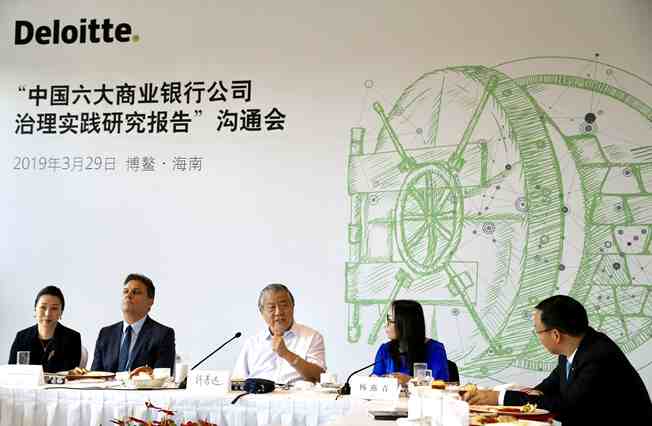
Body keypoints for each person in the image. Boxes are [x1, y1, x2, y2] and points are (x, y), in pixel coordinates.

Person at [464, 295, 652, 425]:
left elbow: (567, 408)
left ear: (555, 335)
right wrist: (532, 393)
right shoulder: (576, 345)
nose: (537, 337)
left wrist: (501, 398)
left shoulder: (598, 357)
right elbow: (551, 385)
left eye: (537, 331)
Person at [232, 283, 326, 383]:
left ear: (292, 307)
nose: (278, 312)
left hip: (297, 393)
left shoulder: (312, 337)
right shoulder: (252, 343)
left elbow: (320, 377)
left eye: (284, 305)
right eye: (272, 307)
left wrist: (286, 354)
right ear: (262, 312)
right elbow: (237, 382)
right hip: (259, 393)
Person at [91, 273, 175, 372]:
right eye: (125, 291)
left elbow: (162, 377)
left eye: (136, 292)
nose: (128, 295)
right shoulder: (106, 333)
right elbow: (95, 375)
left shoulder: (163, 334)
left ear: (150, 301)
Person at [372, 300, 449, 384]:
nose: (386, 325)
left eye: (390, 321)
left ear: (406, 324)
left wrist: (410, 381)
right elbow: (376, 381)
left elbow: (440, 384)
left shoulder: (435, 349)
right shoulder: (385, 349)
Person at [8, 285, 81, 372]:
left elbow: (70, 374)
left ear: (61, 312)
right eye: (43, 307)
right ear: (35, 309)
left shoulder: (72, 338)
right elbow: (12, 372)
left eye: (54, 308)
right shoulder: (22, 337)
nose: (47, 313)